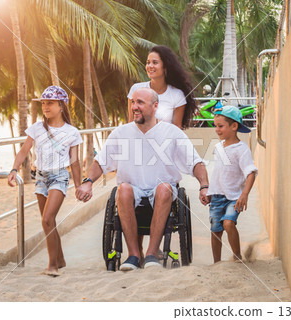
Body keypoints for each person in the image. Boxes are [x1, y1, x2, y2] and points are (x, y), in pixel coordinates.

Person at [76, 87, 210, 271]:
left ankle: (152, 253)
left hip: (162, 192)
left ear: (155, 106)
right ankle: (133, 255)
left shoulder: (172, 133)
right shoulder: (121, 133)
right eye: (133, 102)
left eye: (140, 102)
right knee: (123, 189)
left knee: (164, 188)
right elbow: (101, 162)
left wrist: (204, 186)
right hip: (132, 190)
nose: (134, 107)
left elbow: (196, 162)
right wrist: (88, 182)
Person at [7, 86, 82, 277]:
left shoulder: (71, 132)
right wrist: (14, 169)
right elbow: (24, 151)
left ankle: (52, 266)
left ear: (61, 105)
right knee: (50, 222)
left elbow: (74, 162)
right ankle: (61, 259)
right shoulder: (37, 128)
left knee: (47, 219)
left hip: (59, 177)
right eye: (43, 103)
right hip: (40, 178)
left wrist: (79, 186)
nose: (45, 106)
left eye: (50, 103)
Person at [207, 106, 258, 263]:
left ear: (234, 126)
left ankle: (237, 258)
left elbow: (250, 172)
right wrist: (209, 191)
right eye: (215, 126)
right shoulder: (218, 147)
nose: (217, 129)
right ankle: (217, 263)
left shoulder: (241, 150)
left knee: (228, 224)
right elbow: (218, 172)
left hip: (233, 197)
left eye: (220, 126)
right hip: (216, 196)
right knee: (216, 231)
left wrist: (244, 195)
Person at [127, 45, 197, 130]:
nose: (150, 66)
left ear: (165, 66)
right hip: (139, 141)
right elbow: (131, 124)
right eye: (148, 62)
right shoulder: (136, 90)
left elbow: (177, 130)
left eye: (155, 62)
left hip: (165, 142)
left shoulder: (177, 95)